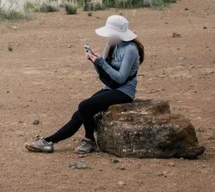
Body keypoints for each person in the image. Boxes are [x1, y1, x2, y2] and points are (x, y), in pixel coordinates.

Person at [25, 14, 144, 154]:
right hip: (110, 88)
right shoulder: (111, 46)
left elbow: (121, 78)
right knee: (79, 113)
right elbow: (103, 74)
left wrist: (101, 63)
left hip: (124, 92)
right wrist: (94, 62)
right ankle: (49, 141)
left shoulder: (131, 49)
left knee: (84, 106)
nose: (108, 37)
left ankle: (89, 140)